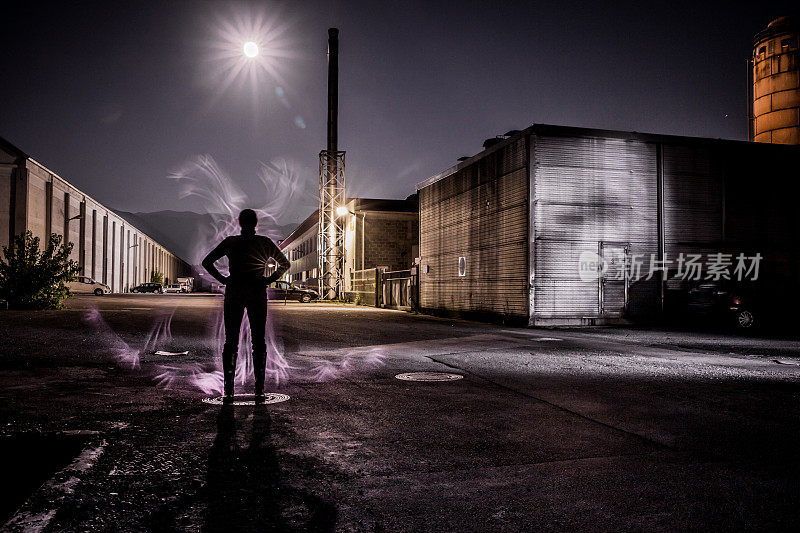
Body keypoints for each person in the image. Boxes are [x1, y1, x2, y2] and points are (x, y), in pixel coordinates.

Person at [202, 209, 290, 403]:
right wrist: (267, 280)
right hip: (257, 292)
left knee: (230, 341)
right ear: (256, 223)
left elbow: (207, 262)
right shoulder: (264, 242)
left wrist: (224, 280)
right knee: (258, 341)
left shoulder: (231, 242)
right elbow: (285, 264)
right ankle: (259, 390)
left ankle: (229, 389)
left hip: (234, 292)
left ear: (239, 223)